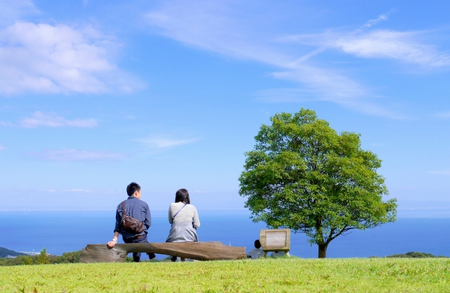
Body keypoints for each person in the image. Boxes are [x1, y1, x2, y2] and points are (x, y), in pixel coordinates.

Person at [107, 182, 155, 262]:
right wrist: (142, 230)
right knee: (141, 238)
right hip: (141, 238)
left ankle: (142, 256)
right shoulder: (144, 205)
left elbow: (118, 226)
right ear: (136, 193)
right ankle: (143, 256)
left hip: (127, 238)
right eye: (140, 193)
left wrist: (114, 240)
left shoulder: (120, 206)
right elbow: (148, 223)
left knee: (138, 238)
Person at [166, 188, 200, 261]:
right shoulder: (192, 207)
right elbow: (197, 224)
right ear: (187, 197)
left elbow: (170, 221)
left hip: (175, 236)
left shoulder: (172, 205)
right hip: (189, 237)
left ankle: (174, 258)